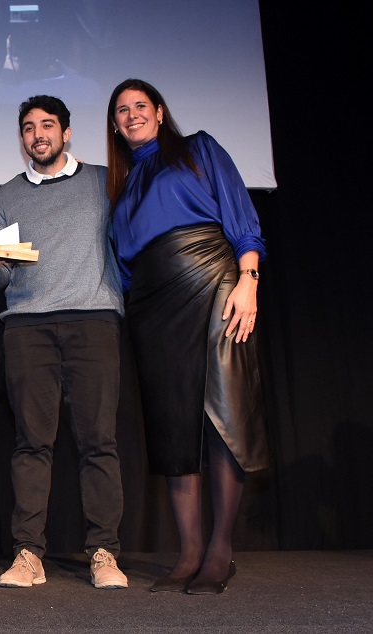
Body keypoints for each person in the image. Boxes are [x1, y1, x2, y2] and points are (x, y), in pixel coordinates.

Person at [105, 78, 269, 595]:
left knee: (221, 415)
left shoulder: (198, 147)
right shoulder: (121, 186)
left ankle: (220, 551)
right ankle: (189, 552)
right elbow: (123, 262)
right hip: (151, 307)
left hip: (212, 281)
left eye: (139, 106)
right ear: (114, 125)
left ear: (158, 110)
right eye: (121, 111)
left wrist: (249, 279)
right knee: (174, 426)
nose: (131, 115)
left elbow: (241, 214)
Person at [0, 95, 129, 589]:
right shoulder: (7, 196)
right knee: (31, 443)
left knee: (98, 442)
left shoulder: (106, 182)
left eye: (48, 126)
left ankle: (104, 552)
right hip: (27, 327)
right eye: (30, 128)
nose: (39, 135)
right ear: (22, 139)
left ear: (67, 132)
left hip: (93, 321)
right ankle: (28, 554)